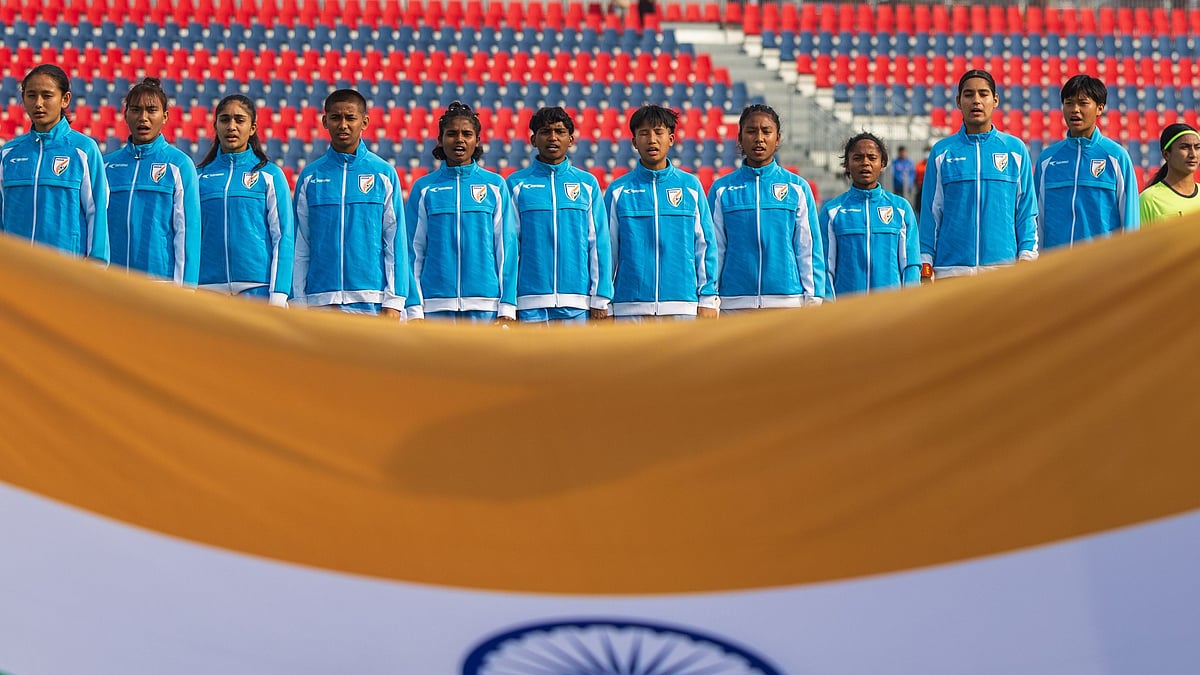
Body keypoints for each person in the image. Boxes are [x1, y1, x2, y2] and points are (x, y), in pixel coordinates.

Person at [292, 88, 410, 317]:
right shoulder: (310, 177)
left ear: (364, 122)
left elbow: (395, 241)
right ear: (325, 121)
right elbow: (301, 243)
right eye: (336, 118)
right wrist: (298, 299)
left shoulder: (383, 173)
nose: (343, 125)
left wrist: (394, 300)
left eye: (350, 118)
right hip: (320, 302)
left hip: (372, 302)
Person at [919, 69, 1038, 281]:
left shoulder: (1015, 150)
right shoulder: (941, 152)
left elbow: (1026, 211)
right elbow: (931, 213)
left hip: (1003, 272)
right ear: (958, 101)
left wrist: (1027, 257)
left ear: (995, 100)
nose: (976, 101)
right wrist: (925, 262)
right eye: (969, 94)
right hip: (951, 271)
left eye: (983, 94)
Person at [406, 101, 517, 323]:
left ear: (477, 141)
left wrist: (507, 307)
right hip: (434, 307)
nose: (459, 139)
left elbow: (506, 249)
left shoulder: (495, 186)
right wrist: (414, 307)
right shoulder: (424, 188)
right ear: (440, 140)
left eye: (467, 134)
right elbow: (412, 251)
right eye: (451, 134)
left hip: (486, 307)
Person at [707, 103, 824, 311]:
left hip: (787, 302)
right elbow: (715, 248)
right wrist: (709, 298)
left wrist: (813, 300)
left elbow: (807, 247)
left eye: (766, 131)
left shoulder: (797, 188)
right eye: (751, 131)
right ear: (740, 137)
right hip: (733, 303)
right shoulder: (722, 190)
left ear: (777, 138)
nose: (759, 138)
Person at [605, 104, 717, 320]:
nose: (652, 139)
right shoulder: (618, 191)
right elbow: (607, 251)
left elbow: (705, 245)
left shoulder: (690, 187)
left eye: (658, 132)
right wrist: (605, 302)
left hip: (682, 306)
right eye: (644, 133)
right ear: (634, 142)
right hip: (629, 308)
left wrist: (708, 298)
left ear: (671, 139)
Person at [506, 106, 612, 323]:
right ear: (534, 140)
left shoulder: (587, 184)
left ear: (571, 139)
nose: (552, 137)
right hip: (528, 302)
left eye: (559, 131)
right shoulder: (516, 185)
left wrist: (600, 297)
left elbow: (598, 243)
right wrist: (507, 301)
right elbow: (508, 246)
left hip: (577, 303)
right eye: (545, 132)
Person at [0, 64, 108, 263]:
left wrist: (96, 267)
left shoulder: (84, 150)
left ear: (65, 99)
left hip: (65, 275)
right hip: (14, 273)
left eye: (47, 96)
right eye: (31, 95)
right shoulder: (7, 153)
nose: (38, 103)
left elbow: (97, 212)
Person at [195, 94, 295, 306]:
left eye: (239, 120)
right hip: (208, 289)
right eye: (225, 119)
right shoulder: (198, 177)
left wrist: (278, 293)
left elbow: (284, 236)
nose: (231, 126)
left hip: (258, 289)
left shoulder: (270, 175)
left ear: (252, 128)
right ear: (215, 125)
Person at [104, 77, 200, 285]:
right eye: (136, 110)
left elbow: (188, 233)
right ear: (125, 115)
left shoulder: (179, 165)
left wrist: (186, 290)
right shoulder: (106, 166)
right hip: (111, 283)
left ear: (165, 116)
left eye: (151, 110)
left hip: (160, 285)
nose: (143, 118)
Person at [1034, 74, 1139, 250]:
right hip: (1056, 268)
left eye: (1083, 103)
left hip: (1101, 268)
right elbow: (1036, 218)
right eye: (1069, 103)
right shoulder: (1047, 159)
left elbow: (1130, 220)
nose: (1075, 109)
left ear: (1100, 108)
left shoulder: (1117, 157)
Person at [820, 131, 920, 297]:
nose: (865, 163)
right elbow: (825, 267)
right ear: (847, 164)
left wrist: (908, 305)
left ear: (882, 164)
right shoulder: (832, 211)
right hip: (847, 312)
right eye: (857, 158)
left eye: (872, 158)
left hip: (890, 310)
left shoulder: (901, 208)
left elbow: (910, 264)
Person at [1139, 123, 1200, 225]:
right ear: (1166, 154)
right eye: (1185, 147)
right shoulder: (1149, 199)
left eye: (1197, 147)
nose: (1193, 154)